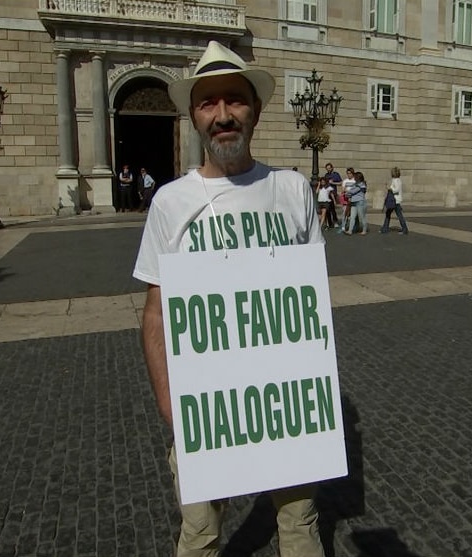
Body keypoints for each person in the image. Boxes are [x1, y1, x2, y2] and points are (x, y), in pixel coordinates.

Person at [132, 40, 325, 557]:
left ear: (255, 110)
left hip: (286, 403)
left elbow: (309, 302)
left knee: (300, 524)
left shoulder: (292, 190)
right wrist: (170, 405)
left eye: (234, 101)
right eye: (207, 103)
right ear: (194, 117)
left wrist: (316, 384)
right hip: (205, 407)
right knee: (199, 536)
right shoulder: (171, 203)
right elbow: (156, 315)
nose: (222, 115)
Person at [380, 166, 408, 234]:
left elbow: (396, 190)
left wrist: (389, 188)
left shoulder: (396, 180)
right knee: (390, 214)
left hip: (394, 200)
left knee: (395, 215)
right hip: (395, 200)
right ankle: (385, 228)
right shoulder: (398, 180)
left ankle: (404, 229)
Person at [345, 171, 368, 235]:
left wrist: (347, 193)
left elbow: (353, 191)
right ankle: (350, 230)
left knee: (362, 216)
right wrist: (348, 194)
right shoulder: (355, 184)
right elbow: (350, 192)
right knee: (352, 217)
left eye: (355, 176)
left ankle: (364, 230)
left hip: (360, 202)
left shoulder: (362, 185)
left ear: (358, 177)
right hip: (353, 202)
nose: (354, 178)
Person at [336, 167, 356, 234]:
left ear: (353, 173)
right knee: (345, 213)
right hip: (346, 199)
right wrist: (350, 190)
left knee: (353, 214)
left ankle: (353, 226)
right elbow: (343, 189)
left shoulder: (355, 181)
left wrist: (348, 190)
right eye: (348, 173)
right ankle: (343, 227)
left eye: (350, 173)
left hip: (353, 199)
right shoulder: (345, 181)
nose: (349, 175)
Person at [323, 163, 342, 228]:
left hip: (333, 193)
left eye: (329, 168)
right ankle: (330, 223)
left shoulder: (336, 174)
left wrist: (333, 182)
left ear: (332, 168)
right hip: (326, 194)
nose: (328, 169)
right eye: (327, 168)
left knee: (332, 209)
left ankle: (335, 222)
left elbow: (340, 183)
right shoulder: (326, 175)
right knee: (327, 209)